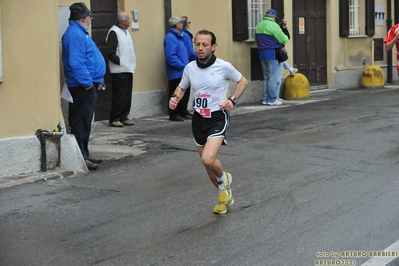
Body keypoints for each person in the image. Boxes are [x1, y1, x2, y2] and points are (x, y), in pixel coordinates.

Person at [169, 30, 248, 214]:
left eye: (205, 45)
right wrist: (175, 98)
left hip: (217, 116)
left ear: (213, 47)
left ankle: (224, 180)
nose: (200, 48)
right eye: (197, 44)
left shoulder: (223, 66)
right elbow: (182, 87)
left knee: (208, 158)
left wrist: (232, 100)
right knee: (207, 165)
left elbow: (243, 81)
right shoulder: (190, 68)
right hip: (199, 118)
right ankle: (224, 197)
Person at [62, 2, 106, 170]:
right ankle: (80, 156)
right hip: (82, 87)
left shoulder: (79, 32)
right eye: (89, 17)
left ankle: (84, 153)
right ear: (83, 18)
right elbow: (77, 63)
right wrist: (87, 84)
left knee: (85, 121)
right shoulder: (75, 35)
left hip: (85, 85)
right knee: (81, 121)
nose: (90, 19)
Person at [106, 11, 137, 128]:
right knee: (119, 95)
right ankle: (114, 118)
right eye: (129, 18)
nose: (130, 20)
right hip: (119, 70)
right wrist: (121, 62)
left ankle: (124, 116)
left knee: (127, 95)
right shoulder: (114, 32)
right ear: (123, 21)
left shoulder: (125, 32)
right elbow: (111, 53)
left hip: (128, 68)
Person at [255, 9, 288, 106]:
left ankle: (265, 99)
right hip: (273, 54)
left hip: (262, 53)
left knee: (266, 78)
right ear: (274, 17)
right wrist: (284, 28)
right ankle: (272, 99)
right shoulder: (273, 25)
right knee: (273, 78)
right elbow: (283, 39)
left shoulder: (258, 25)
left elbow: (255, 41)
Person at [164, 16, 192, 121]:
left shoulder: (179, 36)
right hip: (176, 72)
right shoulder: (171, 37)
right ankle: (174, 113)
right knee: (175, 92)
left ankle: (182, 111)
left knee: (185, 91)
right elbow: (171, 57)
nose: (182, 24)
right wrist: (182, 65)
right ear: (177, 25)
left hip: (182, 71)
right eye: (181, 23)